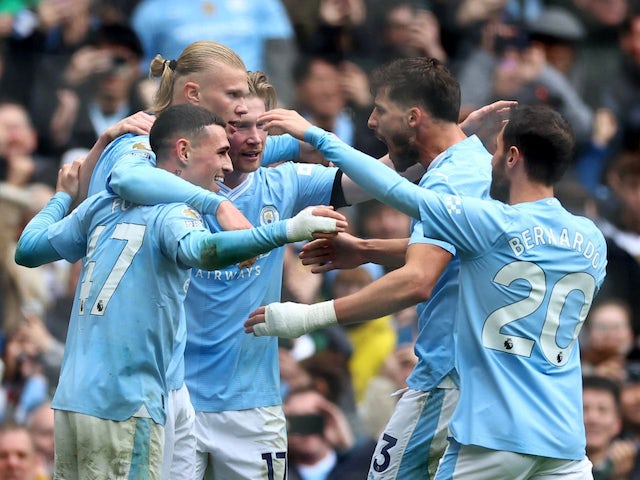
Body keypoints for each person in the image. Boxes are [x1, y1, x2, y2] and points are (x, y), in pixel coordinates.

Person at [246, 103, 608, 478]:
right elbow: (485, 255)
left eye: (497, 151)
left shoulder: (494, 222)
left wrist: (318, 137)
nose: (491, 161)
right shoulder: (592, 240)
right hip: (564, 440)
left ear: (513, 157)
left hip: (494, 435)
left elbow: (394, 189)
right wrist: (369, 249)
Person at [13, 103, 346, 479]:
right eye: (221, 152)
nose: (227, 165)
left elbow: (28, 250)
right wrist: (287, 230)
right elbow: (206, 251)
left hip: (73, 401)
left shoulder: (102, 205)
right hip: (127, 405)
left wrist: (61, 196)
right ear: (184, 152)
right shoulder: (174, 212)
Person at [245, 56, 497, 480]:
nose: (373, 122)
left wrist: (307, 317)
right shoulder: (466, 165)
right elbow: (454, 249)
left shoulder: (452, 178)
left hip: (450, 376)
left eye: (380, 110)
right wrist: (366, 249)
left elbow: (419, 278)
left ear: (413, 116)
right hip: (475, 376)